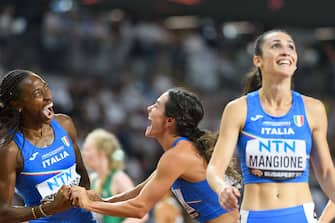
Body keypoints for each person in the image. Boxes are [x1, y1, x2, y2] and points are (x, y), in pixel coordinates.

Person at [206, 29, 335, 223]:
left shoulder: (313, 109)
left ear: (295, 61)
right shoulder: (238, 109)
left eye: (290, 47)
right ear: (258, 61)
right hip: (255, 216)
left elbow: (325, 173)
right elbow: (215, 169)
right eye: (276, 46)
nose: (286, 51)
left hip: (300, 215)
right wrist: (221, 187)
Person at [70, 88, 240, 223]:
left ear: (169, 121)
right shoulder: (179, 151)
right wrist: (103, 201)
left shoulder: (178, 155)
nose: (149, 109)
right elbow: (138, 192)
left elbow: (139, 208)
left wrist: (90, 205)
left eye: (156, 106)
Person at [0, 69, 96, 222]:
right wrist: (48, 209)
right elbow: (2, 213)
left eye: (46, 87)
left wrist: (84, 195)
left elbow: (82, 176)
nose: (48, 97)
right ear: (17, 105)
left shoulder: (65, 124)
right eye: (38, 94)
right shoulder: (11, 150)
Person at [82, 128, 147, 223]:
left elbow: (142, 213)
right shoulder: (92, 179)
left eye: (87, 149)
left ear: (102, 153)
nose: (84, 153)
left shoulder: (118, 178)